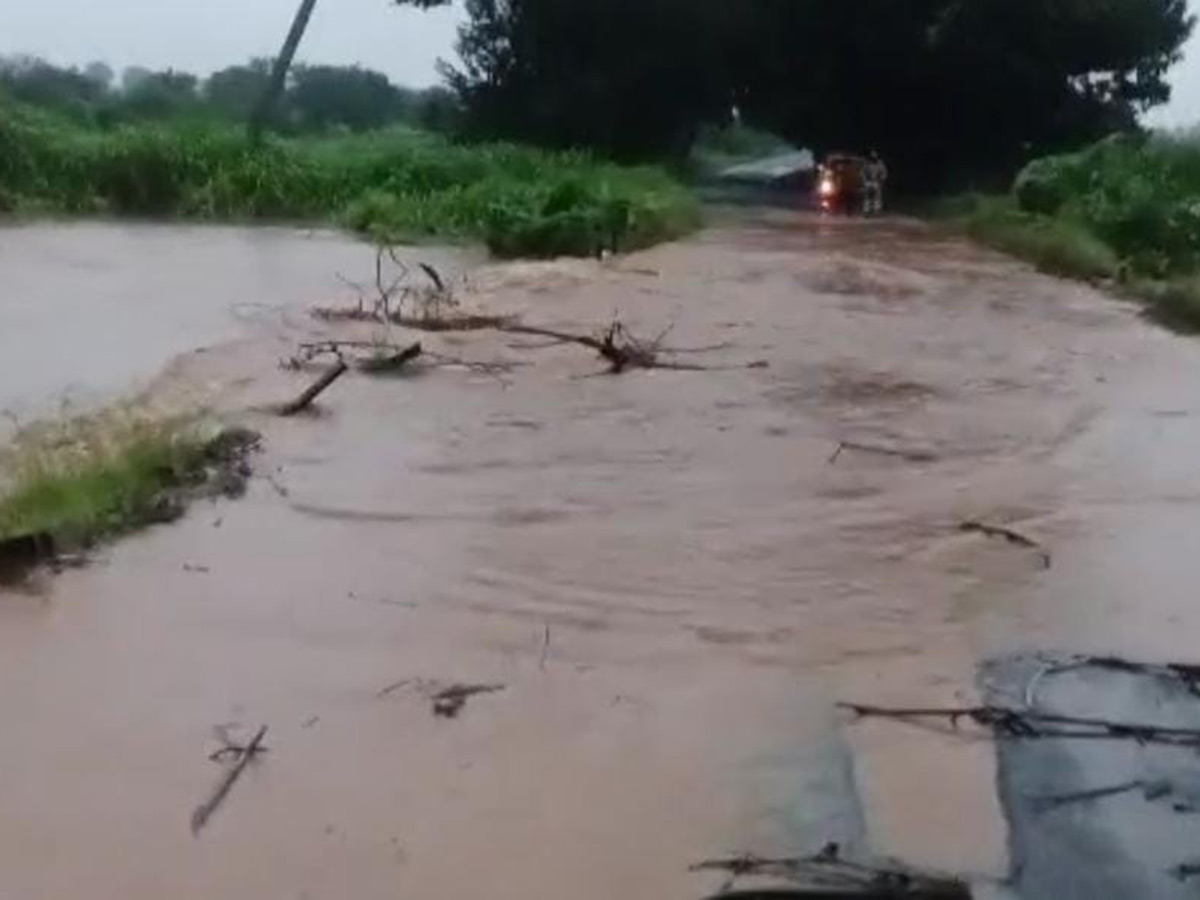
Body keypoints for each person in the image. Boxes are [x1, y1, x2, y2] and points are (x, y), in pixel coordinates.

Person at [864, 151, 888, 215]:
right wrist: (865, 180)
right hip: (868, 182)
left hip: (877, 182)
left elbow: (884, 172)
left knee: (877, 197)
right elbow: (862, 172)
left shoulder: (880, 163)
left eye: (875, 155)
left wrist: (882, 180)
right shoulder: (867, 163)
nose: (873, 156)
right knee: (868, 197)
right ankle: (867, 210)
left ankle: (876, 210)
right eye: (872, 155)